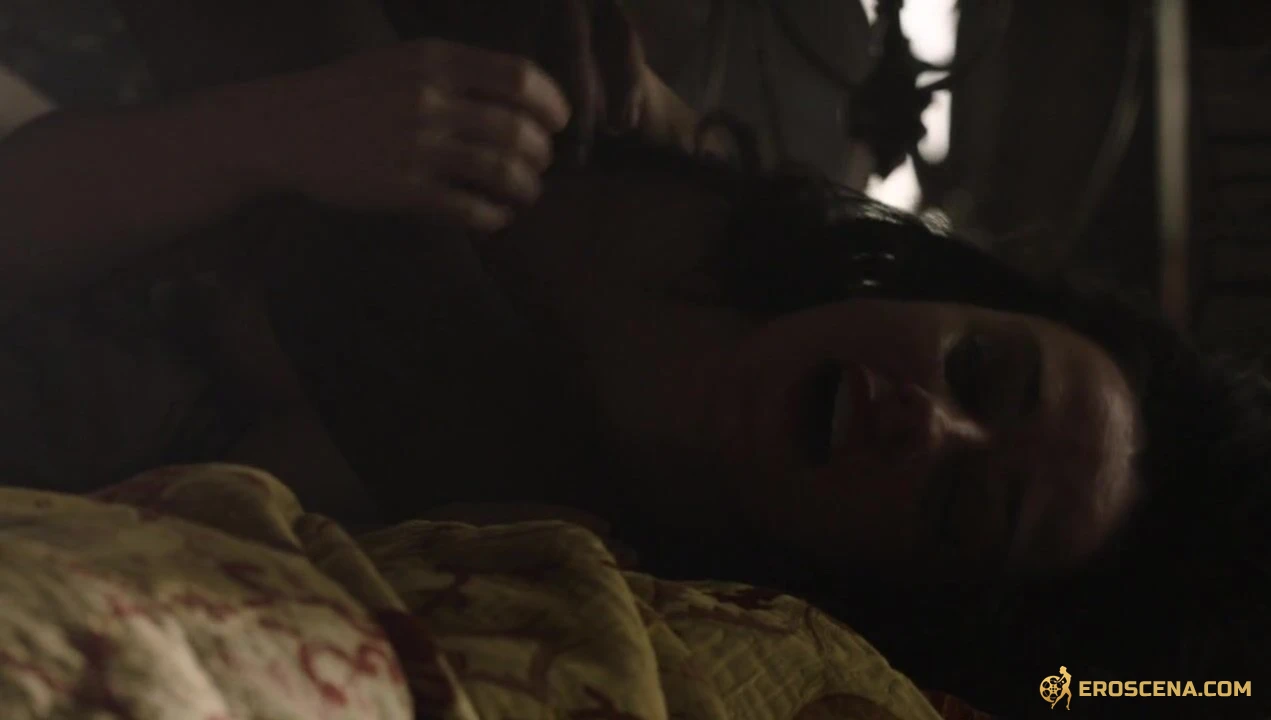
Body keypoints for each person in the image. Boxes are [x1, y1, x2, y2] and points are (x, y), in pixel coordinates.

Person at [0, 3, 1266, 718]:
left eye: (960, 505)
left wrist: (263, 139)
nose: (923, 421)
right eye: (980, 374)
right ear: (956, 297)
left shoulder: (567, 576)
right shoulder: (692, 186)